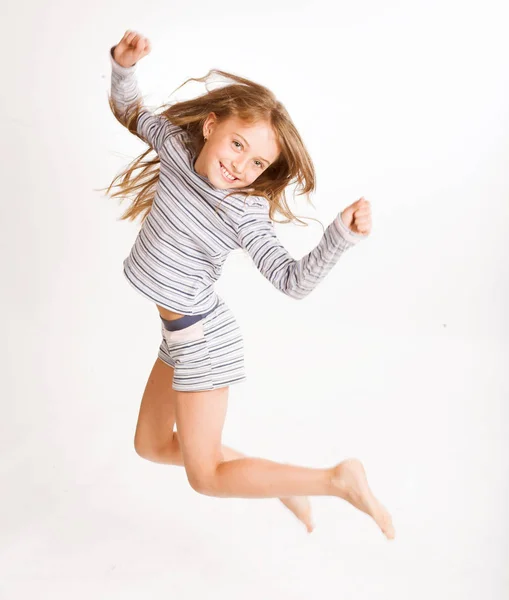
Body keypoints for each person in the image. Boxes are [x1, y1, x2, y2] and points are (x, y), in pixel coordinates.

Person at [104, 29, 395, 540]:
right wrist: (123, 68)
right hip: (178, 338)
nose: (241, 165)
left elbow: (292, 280)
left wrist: (339, 236)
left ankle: (334, 479)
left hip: (204, 343)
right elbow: (128, 110)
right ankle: (276, 482)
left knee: (207, 477)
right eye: (238, 144)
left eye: (257, 162)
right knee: (151, 446)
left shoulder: (244, 212)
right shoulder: (174, 145)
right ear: (212, 125)